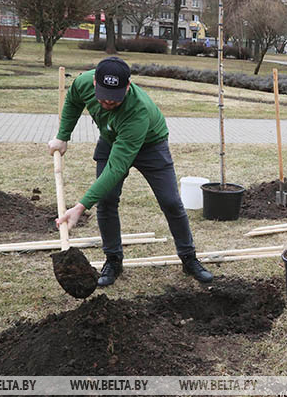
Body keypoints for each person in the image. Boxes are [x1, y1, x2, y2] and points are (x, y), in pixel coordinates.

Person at [48, 56, 213, 286]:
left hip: (150, 145)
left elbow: (116, 167)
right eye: (103, 95)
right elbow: (74, 100)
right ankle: (113, 260)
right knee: (107, 200)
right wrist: (63, 136)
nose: (107, 102)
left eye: (114, 98)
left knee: (171, 202)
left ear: (127, 87)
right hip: (110, 138)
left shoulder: (138, 111)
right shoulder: (83, 82)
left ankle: (189, 258)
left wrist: (81, 206)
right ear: (94, 82)